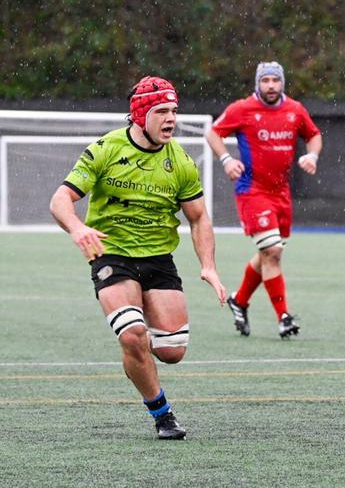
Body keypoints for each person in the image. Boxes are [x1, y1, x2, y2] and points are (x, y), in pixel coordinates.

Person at [49, 76, 226, 440]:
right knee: (133, 336)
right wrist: (77, 228)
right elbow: (60, 200)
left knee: (172, 351)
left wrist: (208, 266)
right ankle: (163, 415)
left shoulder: (180, 161)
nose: (171, 119)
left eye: (174, 111)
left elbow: (198, 218)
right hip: (111, 253)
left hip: (159, 259)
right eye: (162, 111)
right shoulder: (105, 149)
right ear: (140, 115)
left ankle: (137, 345)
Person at [205, 61, 322, 339]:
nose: (271, 85)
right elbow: (213, 133)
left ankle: (240, 300)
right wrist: (226, 159)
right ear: (258, 83)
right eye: (266, 80)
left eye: (275, 80)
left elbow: (314, 134)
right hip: (252, 191)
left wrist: (312, 155)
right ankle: (283, 317)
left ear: (282, 83)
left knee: (268, 252)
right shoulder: (242, 109)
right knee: (273, 252)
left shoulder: (295, 109)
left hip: (281, 192)